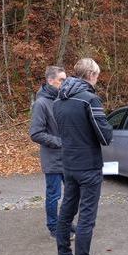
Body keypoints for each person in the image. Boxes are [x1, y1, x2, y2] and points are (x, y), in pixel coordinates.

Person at [52, 58, 113, 255]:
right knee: (86, 218)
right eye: (97, 75)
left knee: (66, 213)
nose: (98, 79)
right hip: (88, 166)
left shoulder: (58, 100)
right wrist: (109, 127)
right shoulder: (89, 100)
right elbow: (104, 135)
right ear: (90, 75)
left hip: (68, 165)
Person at [30, 65, 75, 238]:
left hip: (68, 158)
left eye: (65, 79)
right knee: (54, 195)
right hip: (52, 159)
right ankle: (53, 227)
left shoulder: (62, 99)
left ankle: (66, 223)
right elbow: (36, 133)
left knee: (71, 194)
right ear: (51, 80)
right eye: (61, 80)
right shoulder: (41, 103)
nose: (64, 83)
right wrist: (60, 142)